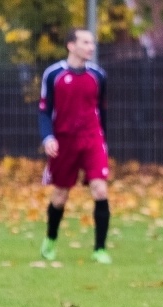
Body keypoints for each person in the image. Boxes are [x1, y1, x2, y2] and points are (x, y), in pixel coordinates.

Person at [38, 28, 112, 264]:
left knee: (100, 190)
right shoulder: (53, 75)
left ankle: (99, 249)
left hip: (92, 139)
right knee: (60, 195)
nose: (91, 47)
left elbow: (102, 111)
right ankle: (50, 239)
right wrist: (48, 137)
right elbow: (44, 111)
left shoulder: (98, 76)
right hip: (64, 141)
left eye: (92, 42)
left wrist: (103, 141)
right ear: (71, 45)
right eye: (86, 42)